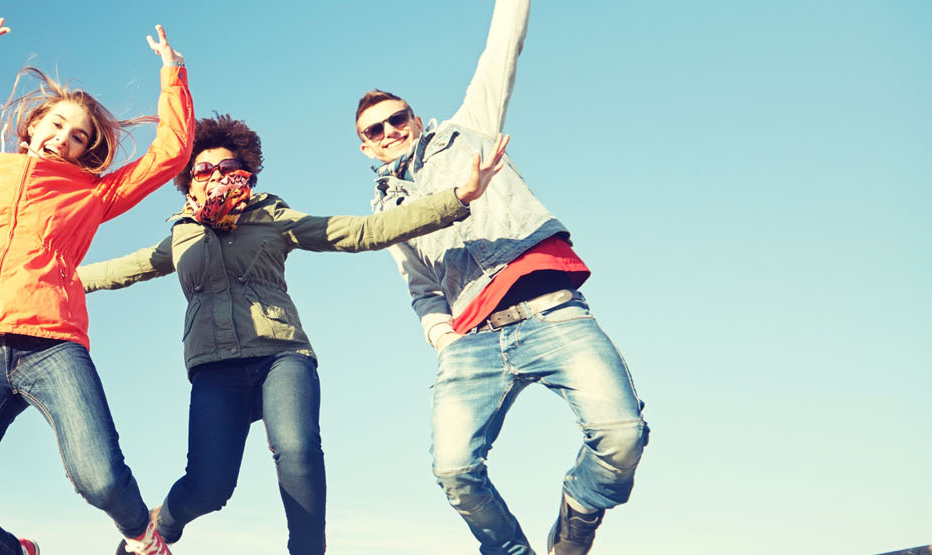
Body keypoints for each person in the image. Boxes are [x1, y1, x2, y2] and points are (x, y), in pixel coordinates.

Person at [79, 114, 502, 554]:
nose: (215, 176)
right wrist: (53, 276)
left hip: (282, 355)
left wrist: (455, 199)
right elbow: (116, 271)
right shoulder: (181, 237)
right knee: (210, 486)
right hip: (214, 368)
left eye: (227, 168)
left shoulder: (272, 217)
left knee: (298, 454)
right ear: (189, 181)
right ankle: (160, 527)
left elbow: (361, 231)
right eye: (203, 170)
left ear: (245, 173)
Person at [351, 1, 648, 553]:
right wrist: (443, 340)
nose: (391, 129)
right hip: (474, 341)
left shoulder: (470, 132)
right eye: (377, 128)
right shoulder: (385, 213)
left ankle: (578, 515)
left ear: (415, 120)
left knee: (622, 434)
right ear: (365, 146)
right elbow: (421, 289)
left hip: (551, 311)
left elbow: (502, 47)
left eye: (398, 118)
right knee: (454, 469)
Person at [0, 17, 189, 555]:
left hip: (52, 346)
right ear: (34, 125)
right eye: (57, 125)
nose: (64, 138)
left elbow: (170, 154)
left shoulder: (91, 195)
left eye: (79, 137)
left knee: (102, 481)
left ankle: (141, 536)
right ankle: (18, 551)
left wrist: (172, 74)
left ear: (85, 152)